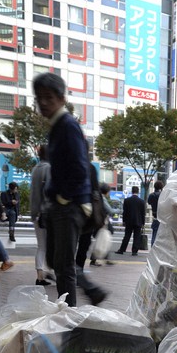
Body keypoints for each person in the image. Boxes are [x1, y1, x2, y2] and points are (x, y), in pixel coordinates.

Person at [33, 71, 106, 306]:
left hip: (69, 206)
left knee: (63, 267)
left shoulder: (67, 125)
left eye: (49, 98)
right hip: (61, 206)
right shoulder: (57, 127)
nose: (43, 103)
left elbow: (79, 168)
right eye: (39, 98)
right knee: (57, 262)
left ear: (62, 99)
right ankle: (89, 292)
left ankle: (68, 318)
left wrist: (63, 199)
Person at [30, 144, 53, 285]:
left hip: (36, 213)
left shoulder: (35, 169)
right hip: (46, 214)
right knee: (50, 246)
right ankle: (48, 273)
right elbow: (49, 193)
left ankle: (40, 275)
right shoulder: (49, 169)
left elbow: (34, 193)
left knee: (41, 246)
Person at [115, 185, 145, 256]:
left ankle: (122, 250)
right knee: (136, 237)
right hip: (138, 221)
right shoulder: (142, 201)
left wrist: (124, 221)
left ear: (132, 191)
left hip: (129, 221)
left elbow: (125, 212)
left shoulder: (127, 200)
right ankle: (134, 251)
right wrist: (143, 223)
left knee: (127, 236)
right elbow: (143, 213)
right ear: (138, 191)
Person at [148, 179, 163, 246]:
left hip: (155, 217)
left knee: (154, 234)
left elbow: (149, 202)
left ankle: (152, 247)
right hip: (163, 218)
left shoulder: (152, 195)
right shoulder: (163, 195)